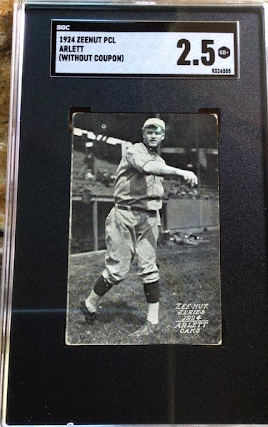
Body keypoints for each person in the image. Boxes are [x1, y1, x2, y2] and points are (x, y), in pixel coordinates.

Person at [80, 117, 198, 336]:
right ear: (143, 134)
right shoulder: (135, 151)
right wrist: (181, 172)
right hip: (125, 215)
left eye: (157, 132)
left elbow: (156, 190)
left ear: (163, 136)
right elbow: (149, 167)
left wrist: (157, 221)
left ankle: (152, 322)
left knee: (150, 269)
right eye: (149, 131)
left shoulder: (160, 160)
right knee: (117, 271)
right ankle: (90, 303)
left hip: (149, 217)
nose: (153, 135)